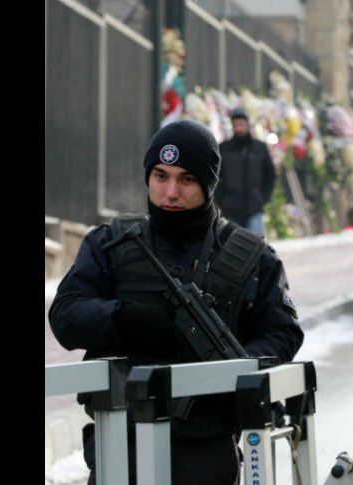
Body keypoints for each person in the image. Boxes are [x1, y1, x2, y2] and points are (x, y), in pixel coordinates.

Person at [49, 120, 304, 485]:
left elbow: (282, 333)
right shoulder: (111, 244)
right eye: (160, 175)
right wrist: (124, 319)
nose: (170, 192)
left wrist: (235, 370)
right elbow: (65, 316)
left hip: (206, 447)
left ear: (208, 183)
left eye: (186, 179)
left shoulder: (250, 256)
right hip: (121, 442)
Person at [215, 108, 277, 237]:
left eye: (241, 124)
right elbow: (215, 176)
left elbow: (270, 175)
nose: (239, 128)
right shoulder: (223, 149)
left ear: (248, 125)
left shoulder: (259, 148)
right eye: (236, 125)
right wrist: (221, 199)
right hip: (231, 208)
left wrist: (263, 197)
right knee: (231, 246)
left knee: (256, 246)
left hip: (254, 207)